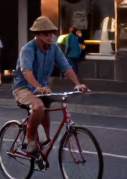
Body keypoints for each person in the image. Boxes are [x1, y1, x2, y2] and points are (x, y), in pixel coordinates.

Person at [13, 17, 87, 155]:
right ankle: (30, 140)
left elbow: (66, 67)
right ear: (38, 34)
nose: (50, 36)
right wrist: (37, 87)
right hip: (23, 88)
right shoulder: (28, 49)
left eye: (51, 33)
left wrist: (78, 84)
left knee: (51, 105)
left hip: (42, 89)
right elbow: (26, 71)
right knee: (39, 106)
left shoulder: (54, 48)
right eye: (46, 33)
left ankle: (44, 140)